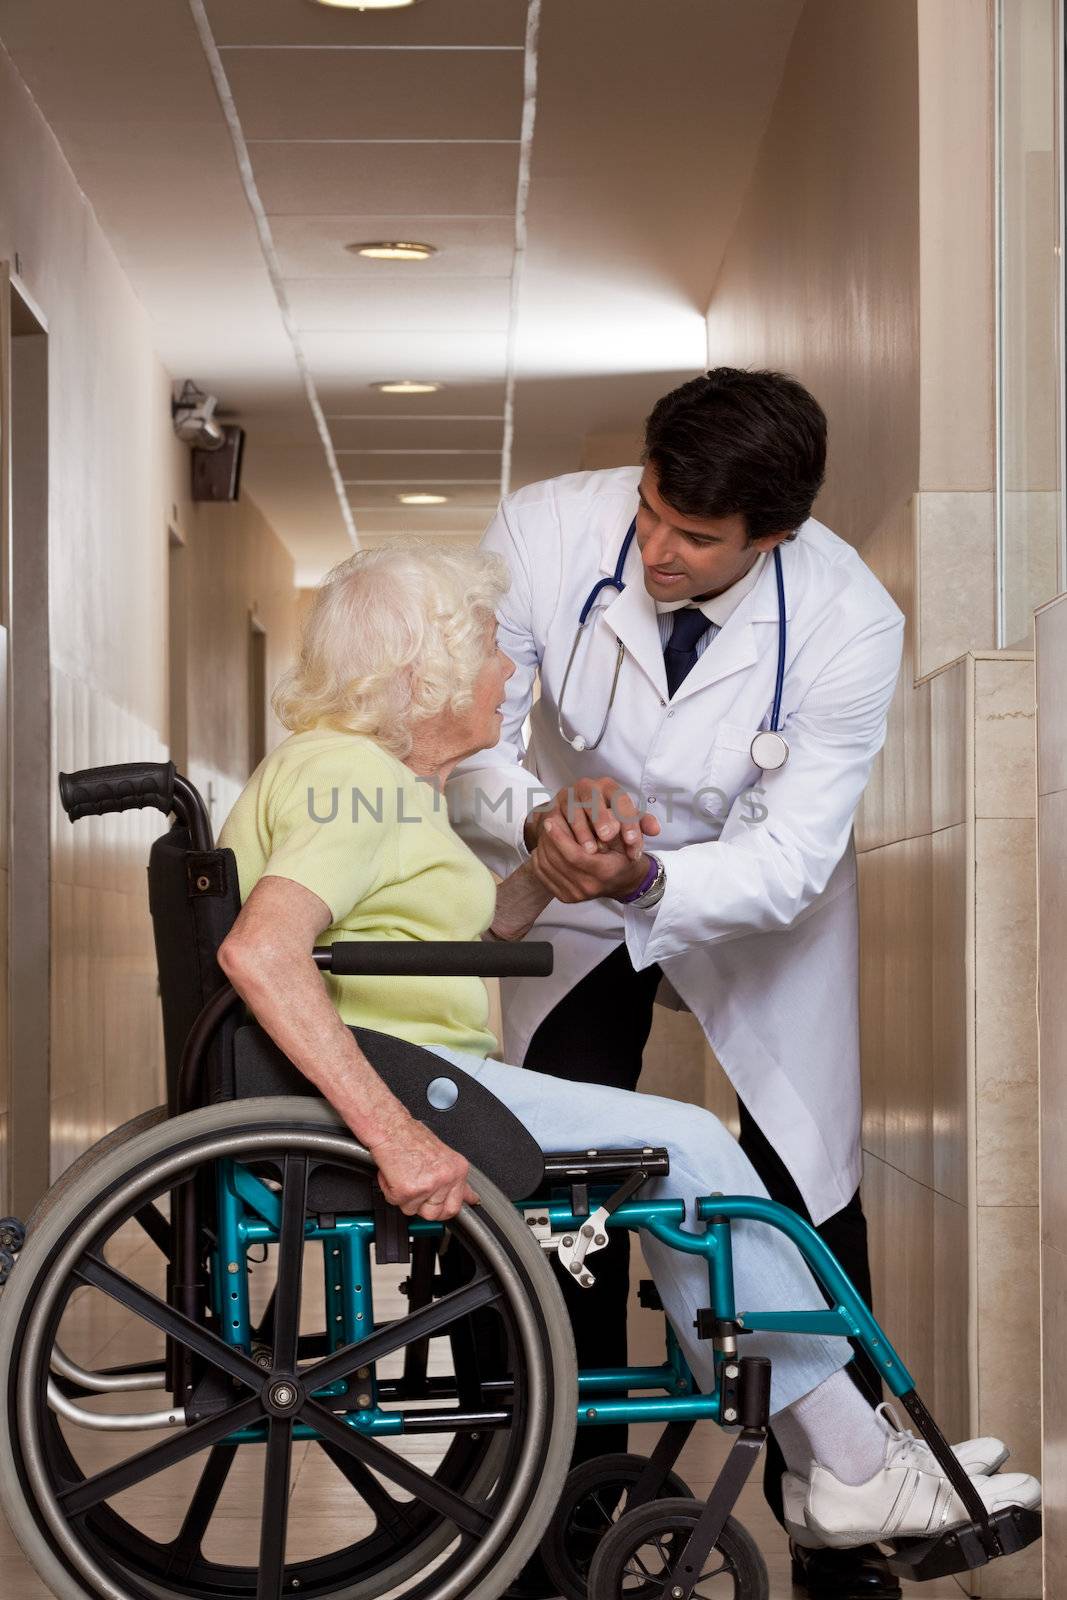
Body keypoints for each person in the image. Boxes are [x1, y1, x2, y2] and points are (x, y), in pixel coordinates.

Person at [216, 545, 1037, 1560]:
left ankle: (843, 1454)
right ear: (419, 678)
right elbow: (262, 948)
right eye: (484, 654)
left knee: (684, 1156)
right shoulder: (355, 784)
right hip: (414, 1085)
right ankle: (851, 1464)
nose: (506, 675)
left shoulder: (358, 780)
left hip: (421, 1067)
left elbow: (419, 938)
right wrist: (393, 1137)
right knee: (691, 1149)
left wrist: (557, 875)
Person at [447, 369, 907, 1597]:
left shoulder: (847, 617)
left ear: (774, 534)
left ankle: (832, 1517)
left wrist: (649, 876)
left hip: (754, 906)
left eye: (695, 539)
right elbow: (469, 737)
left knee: (805, 1181)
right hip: (569, 879)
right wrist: (543, 820)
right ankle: (564, 1499)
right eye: (651, 510)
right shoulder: (543, 528)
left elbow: (792, 854)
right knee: (564, 1172)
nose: (655, 547)